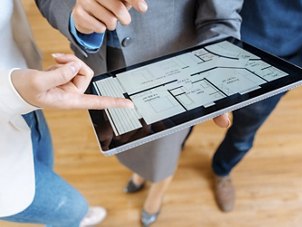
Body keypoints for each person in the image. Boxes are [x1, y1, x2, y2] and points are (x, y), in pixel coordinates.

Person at [35, 0, 241, 225]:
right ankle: (139, 174)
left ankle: (156, 196)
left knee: (164, 149)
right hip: (100, 63)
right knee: (123, 137)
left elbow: (219, 17)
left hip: (171, 67)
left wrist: (217, 65)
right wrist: (75, 20)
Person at [0, 0, 133, 226]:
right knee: (73, 209)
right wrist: (11, 88)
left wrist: (81, 17)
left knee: (45, 165)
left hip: (25, 99)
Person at [211, 0, 302, 213]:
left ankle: (221, 171)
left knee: (242, 135)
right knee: (180, 123)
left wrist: (293, 72)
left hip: (276, 69)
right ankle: (161, 167)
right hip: (217, 40)